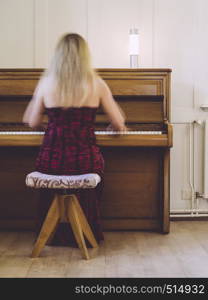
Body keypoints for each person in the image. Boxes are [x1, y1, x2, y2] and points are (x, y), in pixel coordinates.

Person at [23, 33, 127, 246]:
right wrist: (114, 127)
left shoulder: (46, 83)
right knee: (97, 170)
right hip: (85, 160)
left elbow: (32, 121)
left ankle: (50, 233)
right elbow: (118, 122)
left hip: (50, 160)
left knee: (49, 177)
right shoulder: (96, 83)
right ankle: (86, 231)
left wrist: (50, 126)